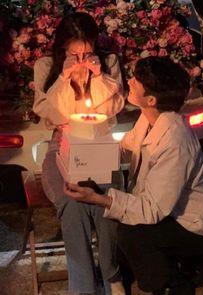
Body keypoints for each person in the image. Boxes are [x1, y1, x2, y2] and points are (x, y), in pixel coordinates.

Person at [64, 56, 203, 295]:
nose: (130, 81)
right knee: (124, 232)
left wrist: (100, 198)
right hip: (168, 210)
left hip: (193, 225)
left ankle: (175, 282)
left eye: (136, 81)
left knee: (131, 233)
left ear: (151, 99)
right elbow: (127, 146)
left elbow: (152, 210)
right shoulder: (150, 117)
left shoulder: (174, 141)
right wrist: (86, 155)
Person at [33, 12, 126, 295]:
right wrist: (64, 78)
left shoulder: (108, 63)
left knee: (107, 198)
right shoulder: (46, 65)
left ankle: (111, 275)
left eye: (88, 49)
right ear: (64, 46)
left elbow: (114, 108)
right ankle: (83, 286)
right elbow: (48, 112)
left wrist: (97, 78)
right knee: (71, 201)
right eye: (76, 51)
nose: (83, 56)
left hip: (100, 144)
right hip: (62, 143)